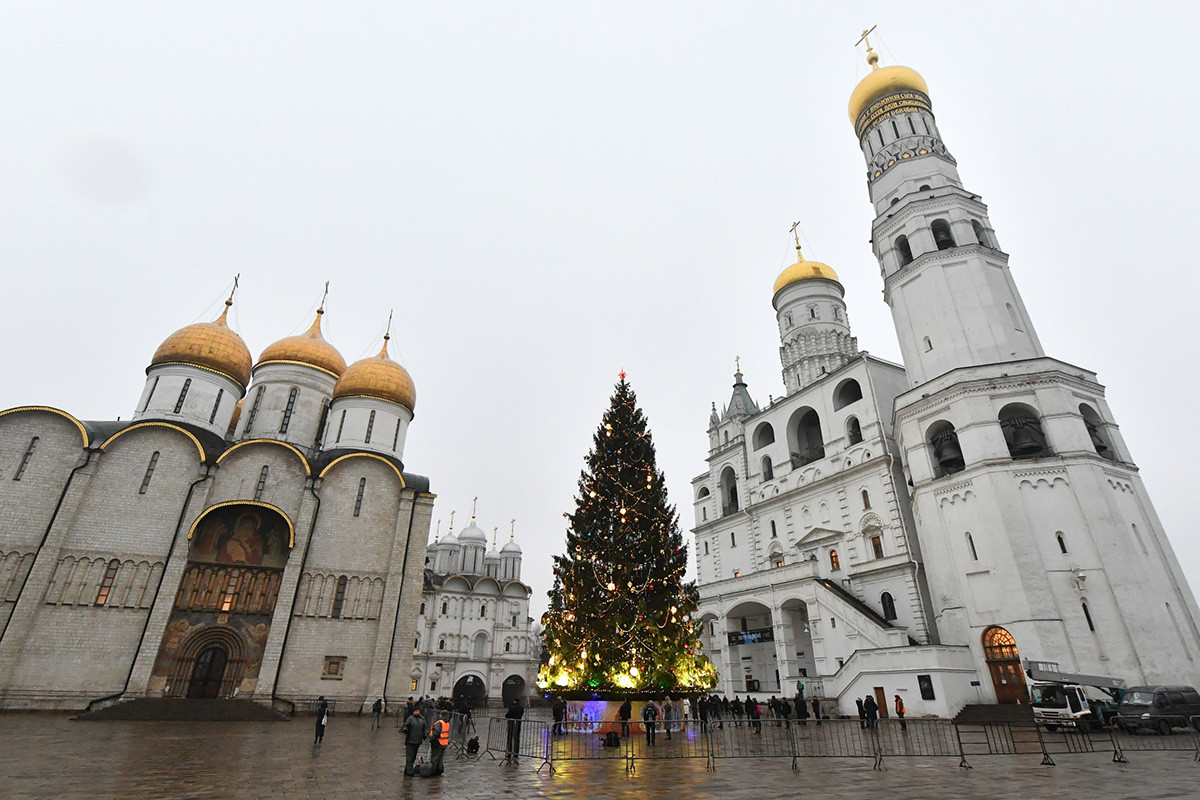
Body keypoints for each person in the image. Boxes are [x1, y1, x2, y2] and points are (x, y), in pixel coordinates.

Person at [400, 706, 426, 777]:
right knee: (409, 756)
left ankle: (407, 770)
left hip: (418, 740)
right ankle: (409, 772)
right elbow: (406, 725)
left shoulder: (422, 719)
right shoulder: (410, 718)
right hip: (410, 740)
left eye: (418, 711)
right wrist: (405, 729)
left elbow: (424, 728)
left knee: (413, 756)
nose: (417, 712)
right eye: (415, 711)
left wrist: (424, 735)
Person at [429, 709, 450, 776]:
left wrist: (431, 739)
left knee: (435, 758)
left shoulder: (439, 722)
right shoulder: (447, 722)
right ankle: (439, 770)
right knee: (440, 758)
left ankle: (433, 771)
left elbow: (436, 733)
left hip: (438, 742)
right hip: (444, 743)